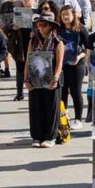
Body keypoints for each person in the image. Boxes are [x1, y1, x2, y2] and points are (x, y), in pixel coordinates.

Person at [24, 12, 65, 148]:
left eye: (44, 25)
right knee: (36, 107)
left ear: (51, 26)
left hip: (51, 78)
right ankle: (37, 136)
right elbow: (28, 61)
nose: (41, 27)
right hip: (35, 78)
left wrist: (55, 78)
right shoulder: (33, 41)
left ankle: (50, 137)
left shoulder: (57, 42)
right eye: (39, 25)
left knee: (51, 108)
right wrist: (26, 79)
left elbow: (59, 63)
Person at [58, 4, 88, 125]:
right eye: (63, 14)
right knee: (62, 92)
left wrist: (79, 56)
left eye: (67, 14)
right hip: (62, 65)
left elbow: (88, 48)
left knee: (76, 92)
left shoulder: (81, 28)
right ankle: (63, 118)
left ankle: (78, 119)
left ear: (73, 15)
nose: (65, 17)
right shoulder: (58, 29)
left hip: (77, 65)